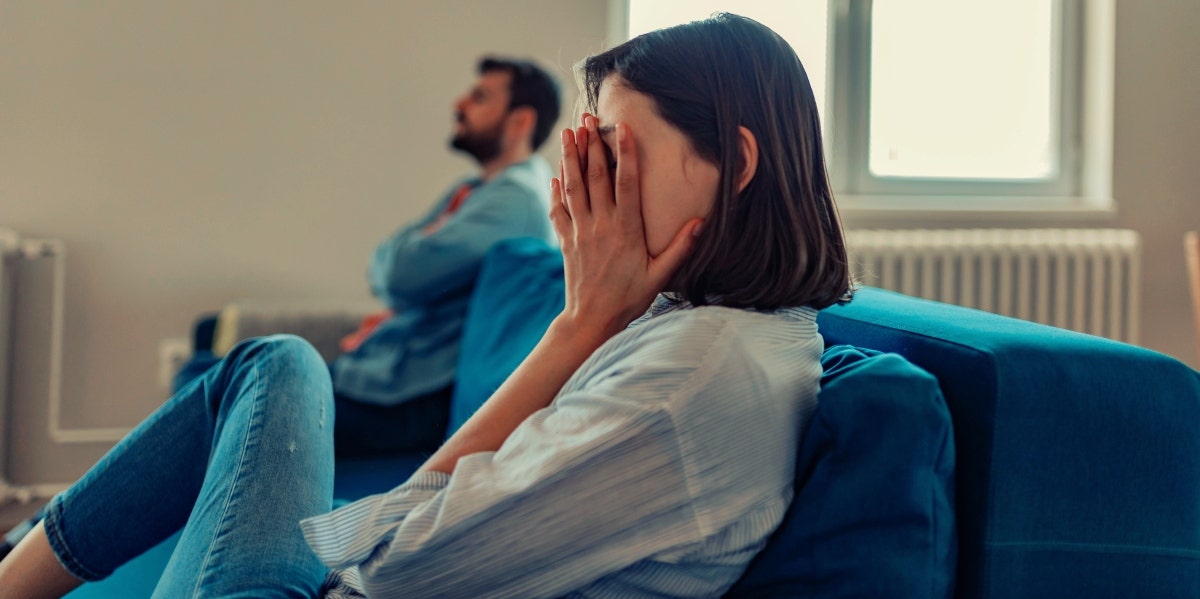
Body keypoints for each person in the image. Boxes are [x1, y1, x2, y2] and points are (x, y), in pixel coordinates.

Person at [0, 13, 852, 599]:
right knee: (277, 363)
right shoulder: (707, 332)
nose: (589, 188)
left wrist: (577, 327)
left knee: (274, 365)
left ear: (734, 164)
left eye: (615, 155)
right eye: (586, 155)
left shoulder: (692, 376)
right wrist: (594, 321)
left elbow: (386, 563)